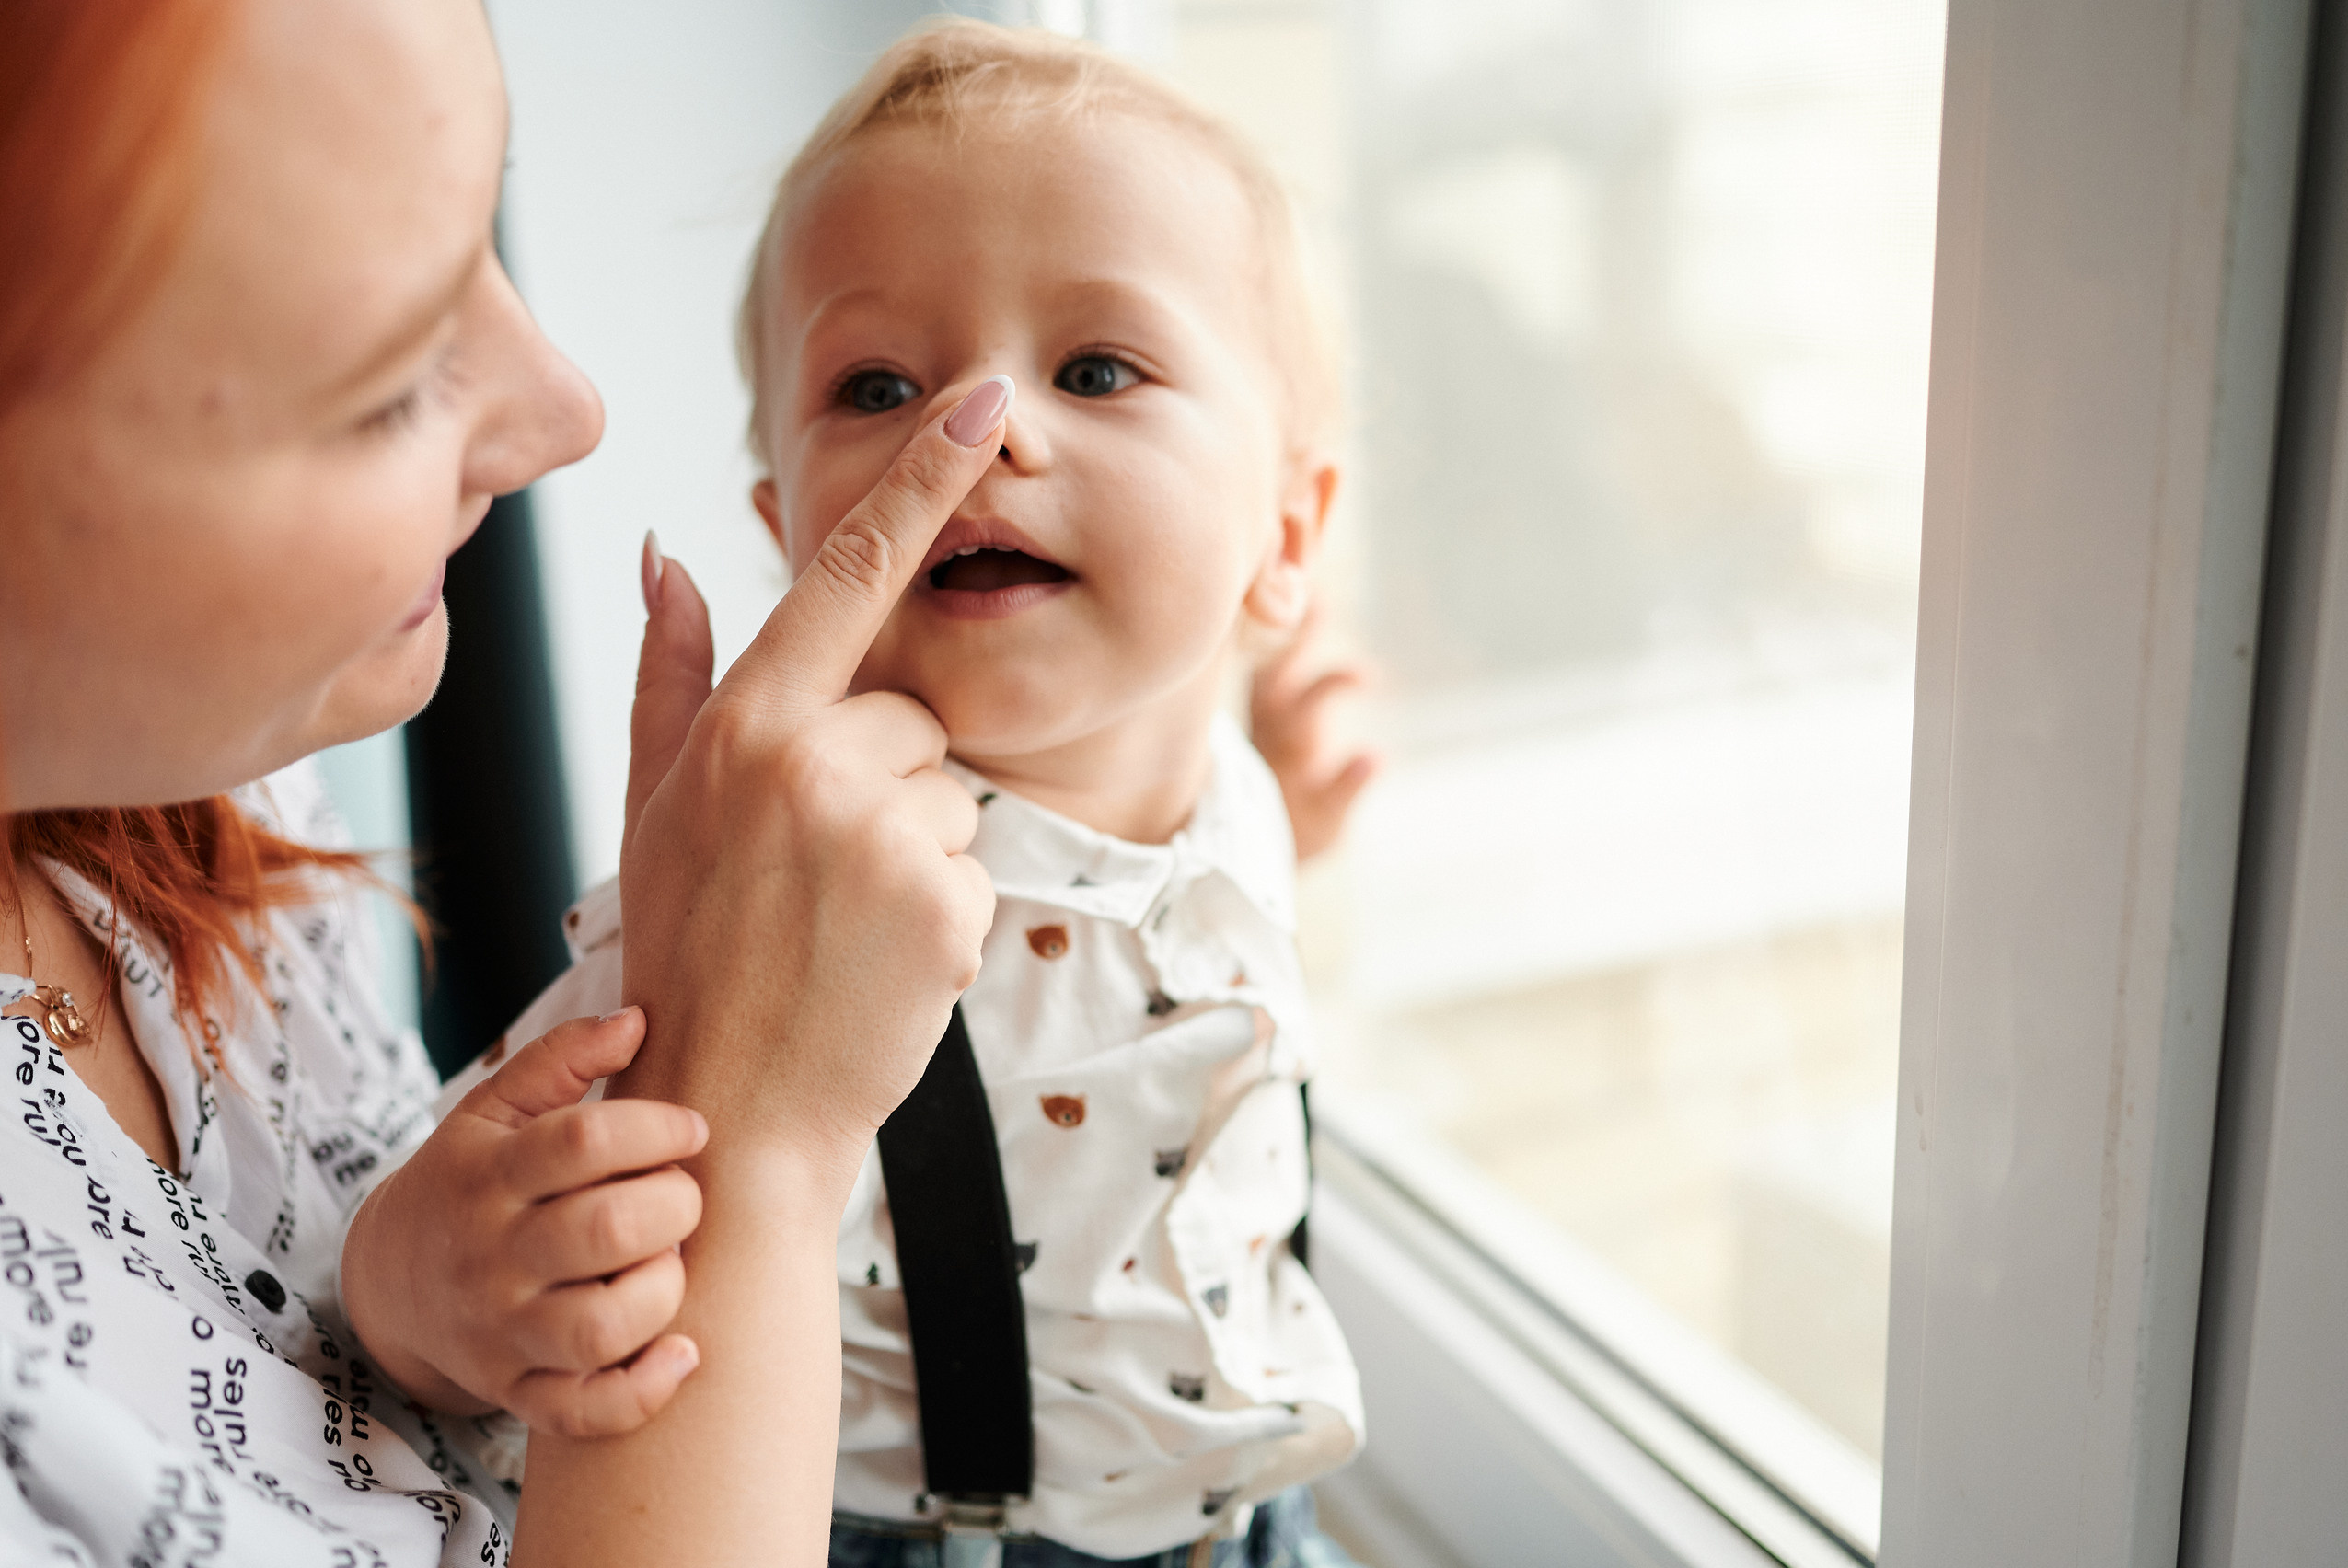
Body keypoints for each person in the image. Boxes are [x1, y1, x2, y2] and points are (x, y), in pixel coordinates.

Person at [0, 1, 1017, 1563]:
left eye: (484, 228)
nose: (567, 413)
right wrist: (739, 1141)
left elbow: (358, 1353)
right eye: (392, 372)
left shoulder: (206, 787)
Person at [486, 24, 1374, 1566]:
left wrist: (1295, 804)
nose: (984, 434)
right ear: (790, 536)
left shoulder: (1233, 798)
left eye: (1095, 368)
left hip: (1249, 1519)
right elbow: (529, 1171)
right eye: (880, 384)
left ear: (1286, 539)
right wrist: (426, 1273)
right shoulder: (801, 879)